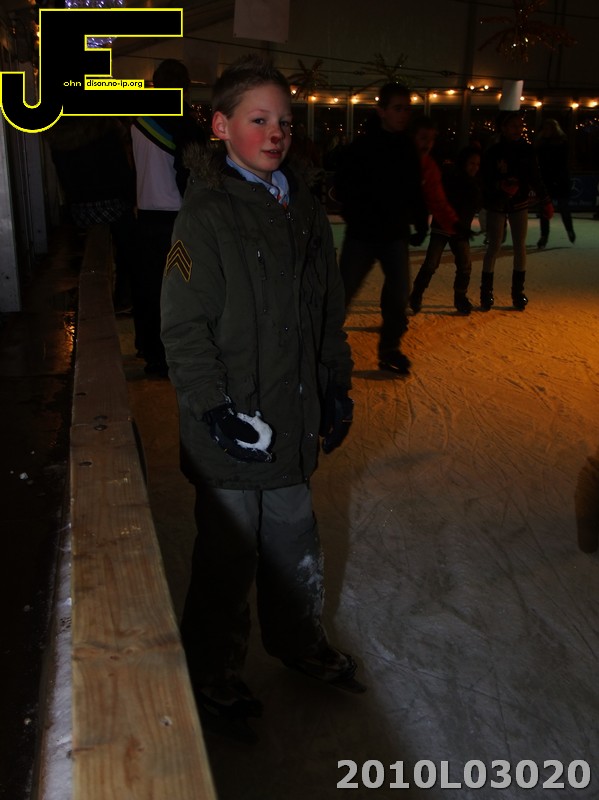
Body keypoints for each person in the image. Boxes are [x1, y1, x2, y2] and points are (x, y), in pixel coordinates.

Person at [160, 54, 361, 741]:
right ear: (221, 126)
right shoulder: (205, 215)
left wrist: (335, 384)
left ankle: (299, 641)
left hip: (292, 414)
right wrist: (213, 410)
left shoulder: (301, 206)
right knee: (227, 553)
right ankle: (211, 667)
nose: (276, 133)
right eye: (258, 119)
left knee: (295, 544)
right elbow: (183, 329)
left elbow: (326, 310)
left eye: (285, 121)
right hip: (234, 421)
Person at [334, 83, 428, 375]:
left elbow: (414, 188)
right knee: (342, 294)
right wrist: (354, 214)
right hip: (362, 235)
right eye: (398, 108)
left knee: (399, 295)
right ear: (382, 111)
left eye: (407, 109)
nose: (404, 114)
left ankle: (390, 350)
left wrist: (420, 220)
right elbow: (343, 186)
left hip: (394, 234)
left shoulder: (407, 148)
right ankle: (324, 348)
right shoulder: (362, 147)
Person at [131, 58, 207, 377]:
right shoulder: (184, 124)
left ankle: (148, 348)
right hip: (176, 221)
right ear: (185, 88)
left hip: (145, 217)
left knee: (148, 287)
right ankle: (169, 355)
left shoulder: (138, 121)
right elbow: (192, 175)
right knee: (178, 290)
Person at [45, 117, 136, 312]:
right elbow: (121, 173)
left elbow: (64, 178)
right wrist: (132, 198)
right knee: (130, 243)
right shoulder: (104, 129)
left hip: (79, 208)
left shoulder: (59, 134)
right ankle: (124, 296)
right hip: (110, 203)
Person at [479, 111, 553, 311]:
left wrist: (545, 200)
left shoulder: (526, 150)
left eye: (520, 125)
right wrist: (500, 186)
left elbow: (535, 176)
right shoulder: (494, 151)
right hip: (498, 203)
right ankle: (486, 292)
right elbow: (485, 177)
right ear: (503, 128)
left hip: (518, 202)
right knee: (494, 246)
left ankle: (517, 292)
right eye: (513, 125)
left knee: (519, 246)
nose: (518, 129)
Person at [410, 145, 482, 315]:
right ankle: (416, 295)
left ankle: (460, 297)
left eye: (478, 164)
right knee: (431, 263)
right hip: (442, 228)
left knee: (465, 265)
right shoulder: (452, 178)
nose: (475, 167)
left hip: (460, 230)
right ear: (464, 163)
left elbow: (475, 206)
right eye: (472, 163)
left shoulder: (476, 183)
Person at [535, 118, 576, 248]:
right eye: (545, 129)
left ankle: (569, 230)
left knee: (563, 208)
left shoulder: (561, 143)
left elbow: (563, 164)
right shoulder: (541, 144)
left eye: (549, 129)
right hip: (547, 180)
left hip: (560, 180)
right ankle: (544, 236)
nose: (546, 131)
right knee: (545, 209)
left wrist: (558, 179)